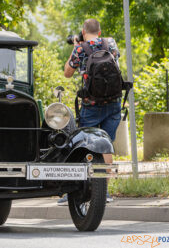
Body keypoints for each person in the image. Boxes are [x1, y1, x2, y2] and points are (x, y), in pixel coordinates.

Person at [59, 18, 121, 204]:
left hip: (91, 106)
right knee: (106, 145)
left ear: (83, 33)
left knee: (84, 146)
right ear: (99, 32)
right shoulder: (110, 43)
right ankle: (105, 192)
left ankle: (78, 191)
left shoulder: (80, 48)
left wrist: (77, 47)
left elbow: (67, 73)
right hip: (113, 102)